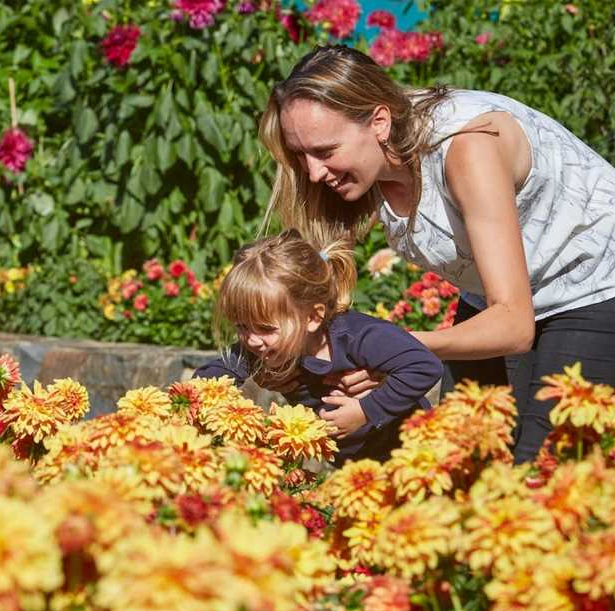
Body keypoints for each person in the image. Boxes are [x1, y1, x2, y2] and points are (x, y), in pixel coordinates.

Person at [257, 44, 615, 463]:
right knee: (460, 458)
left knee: (544, 471)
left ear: (379, 122)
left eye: (325, 151)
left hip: (593, 281)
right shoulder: (365, 169)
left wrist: (395, 348)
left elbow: (515, 326)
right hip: (495, 297)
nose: (313, 173)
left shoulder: (468, 149)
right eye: (301, 155)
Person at [194, 229, 443, 465]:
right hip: (352, 466)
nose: (251, 340)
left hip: (412, 450)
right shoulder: (261, 346)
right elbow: (206, 382)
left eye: (266, 328)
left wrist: (366, 410)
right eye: (241, 326)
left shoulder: (358, 337)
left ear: (312, 318)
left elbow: (424, 365)